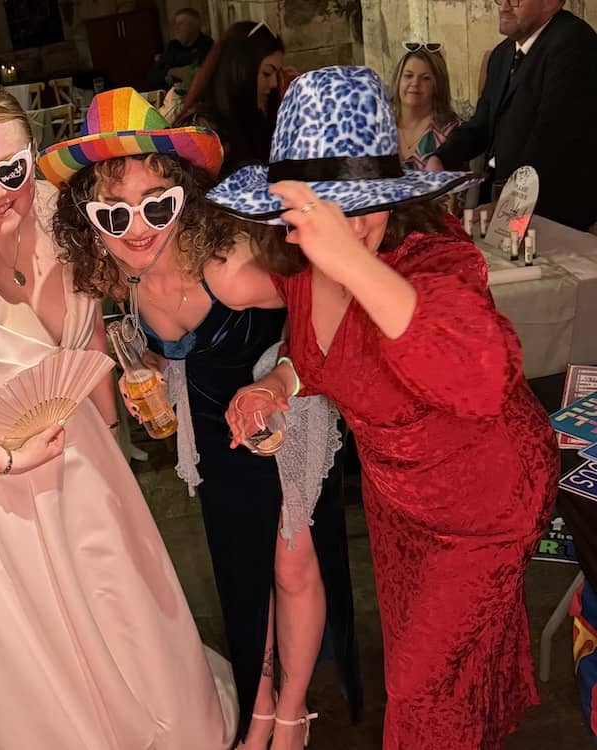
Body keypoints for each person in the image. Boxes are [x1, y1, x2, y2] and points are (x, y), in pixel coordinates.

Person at [0, 77, 235, 750]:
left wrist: (115, 421)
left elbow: (94, 324)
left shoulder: (64, 212)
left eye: (9, 170)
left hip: (77, 451)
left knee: (119, 613)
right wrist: (3, 457)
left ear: (31, 152)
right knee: (30, 655)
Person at [207, 65, 559, 749]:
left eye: (361, 199)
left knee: (420, 690)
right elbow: (311, 356)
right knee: (439, 667)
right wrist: (276, 385)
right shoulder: (306, 266)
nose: (348, 224)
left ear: (392, 192)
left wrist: (349, 259)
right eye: (323, 206)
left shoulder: (437, 260)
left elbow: (482, 376)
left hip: (484, 500)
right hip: (400, 501)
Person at [41, 87, 361, 750]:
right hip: (220, 431)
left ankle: (293, 713)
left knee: (292, 564)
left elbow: (333, 301)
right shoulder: (115, 275)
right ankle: (262, 701)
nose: (136, 228)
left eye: (157, 205)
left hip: (291, 409)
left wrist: (277, 379)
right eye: (112, 213)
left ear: (185, 193)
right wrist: (152, 374)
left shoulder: (234, 268)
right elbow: (161, 349)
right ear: (86, 215)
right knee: (244, 569)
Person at [426, 0, 597, 231]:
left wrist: (509, 204)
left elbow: (552, 139)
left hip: (550, 212)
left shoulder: (574, 44)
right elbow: (482, 124)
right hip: (502, 200)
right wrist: (441, 157)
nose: (503, 6)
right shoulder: (502, 53)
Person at [177, 20, 288, 175]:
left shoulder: (257, 114)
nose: (274, 83)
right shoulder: (203, 127)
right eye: (267, 73)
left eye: (278, 74)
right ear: (240, 70)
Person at [389, 44, 461, 170]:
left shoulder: (452, 131)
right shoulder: (380, 126)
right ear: (398, 80)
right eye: (408, 76)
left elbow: (458, 186)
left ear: (438, 84)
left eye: (426, 78)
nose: (415, 83)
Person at [147, 7, 213, 93]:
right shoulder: (173, 46)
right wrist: (172, 71)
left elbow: (197, 76)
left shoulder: (207, 46)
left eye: (180, 24)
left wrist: (168, 71)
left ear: (193, 27)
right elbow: (152, 77)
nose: (176, 28)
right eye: (175, 24)